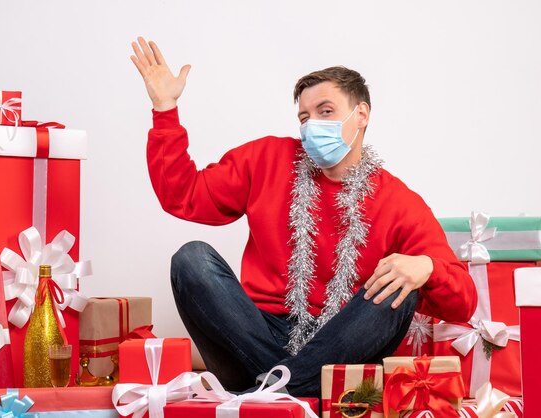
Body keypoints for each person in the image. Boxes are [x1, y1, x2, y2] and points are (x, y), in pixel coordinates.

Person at [131, 37, 477, 397]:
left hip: (341, 343)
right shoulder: (265, 159)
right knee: (192, 259)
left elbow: (463, 302)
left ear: (361, 114)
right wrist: (165, 107)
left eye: (326, 112)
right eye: (304, 117)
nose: (312, 125)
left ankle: (273, 392)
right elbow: (182, 195)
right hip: (254, 336)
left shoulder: (398, 201)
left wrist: (428, 267)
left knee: (401, 287)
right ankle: (292, 390)